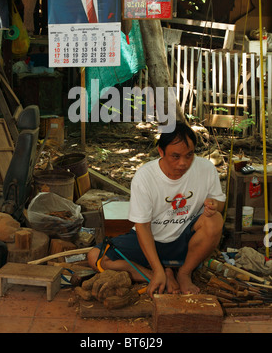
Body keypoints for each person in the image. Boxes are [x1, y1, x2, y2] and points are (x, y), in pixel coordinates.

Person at [87, 121, 225, 298]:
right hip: (149, 241)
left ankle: (184, 273)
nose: (183, 163)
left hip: (185, 240)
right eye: (175, 156)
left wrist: (214, 205)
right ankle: (157, 275)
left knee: (215, 221)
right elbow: (142, 227)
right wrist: (157, 269)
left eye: (189, 155)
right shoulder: (145, 176)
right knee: (95, 257)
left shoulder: (205, 169)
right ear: (161, 152)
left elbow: (219, 203)